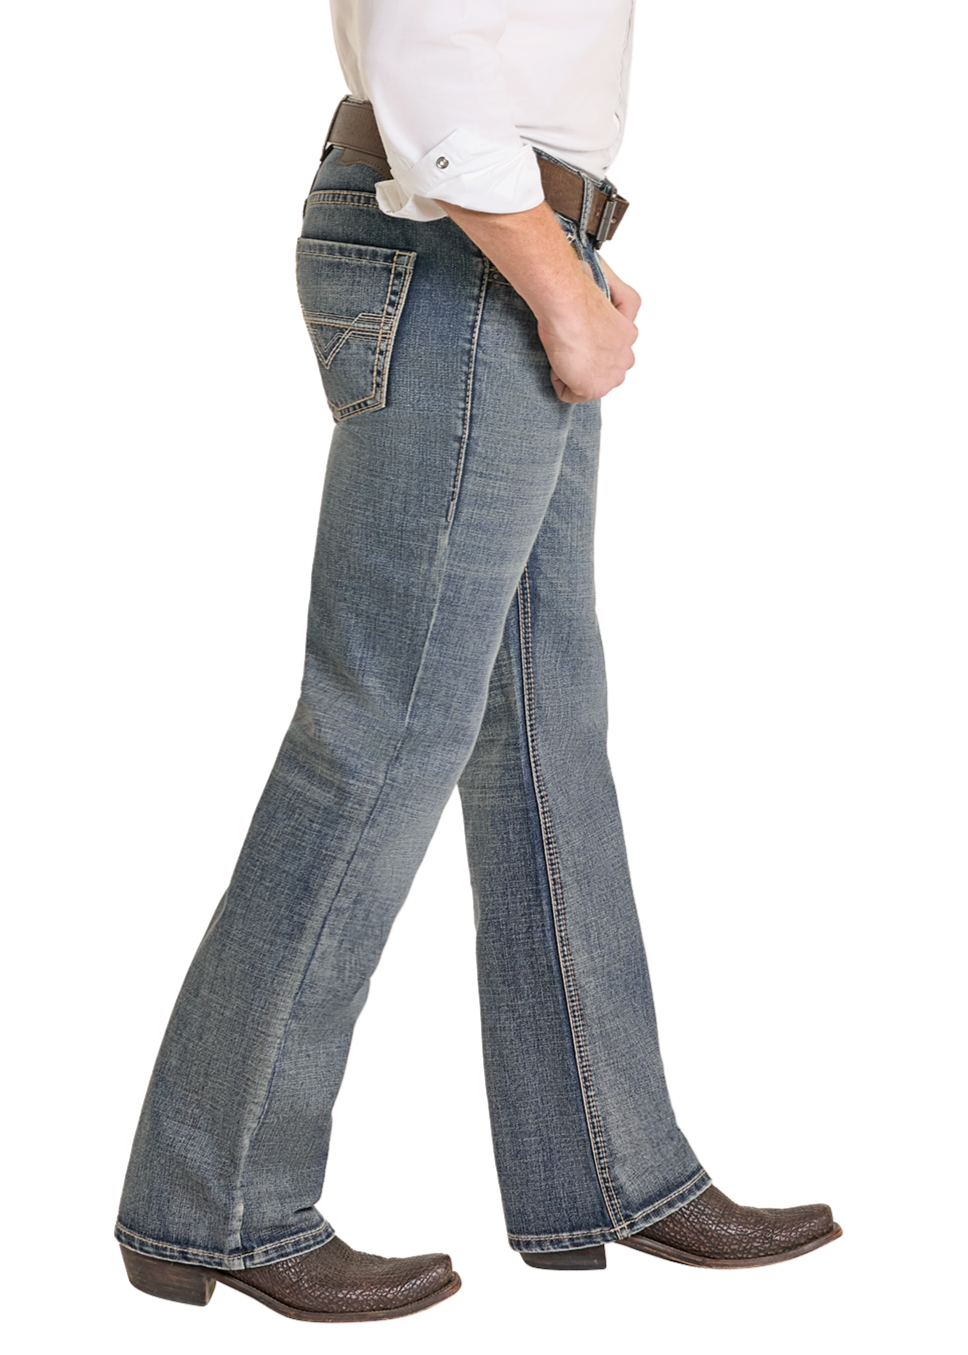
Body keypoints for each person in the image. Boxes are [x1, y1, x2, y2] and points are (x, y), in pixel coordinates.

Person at [113, 2, 842, 1324]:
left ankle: (607, 1172)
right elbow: (422, 53)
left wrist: (572, 256)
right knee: (379, 731)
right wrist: (554, 278)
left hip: (510, 245)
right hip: (459, 252)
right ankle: (210, 1201)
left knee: (546, 725)